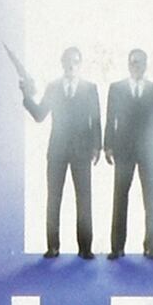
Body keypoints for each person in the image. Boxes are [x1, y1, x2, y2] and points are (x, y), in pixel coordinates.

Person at [19, 46, 102, 258]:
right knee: (53, 198)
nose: (71, 65)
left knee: (84, 200)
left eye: (75, 61)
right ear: (62, 63)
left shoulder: (90, 88)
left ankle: (85, 248)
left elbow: (96, 120)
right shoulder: (53, 87)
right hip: (57, 150)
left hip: (82, 152)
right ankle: (53, 247)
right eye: (67, 61)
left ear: (80, 64)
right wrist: (26, 95)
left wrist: (97, 147)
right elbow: (39, 115)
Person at [104, 47, 153, 256]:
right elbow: (110, 119)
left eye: (139, 62)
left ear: (146, 65)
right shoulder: (116, 88)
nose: (136, 66)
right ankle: (117, 248)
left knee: (150, 198)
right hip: (123, 150)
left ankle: (150, 246)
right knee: (119, 198)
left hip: (148, 151)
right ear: (128, 64)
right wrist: (107, 146)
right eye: (133, 62)